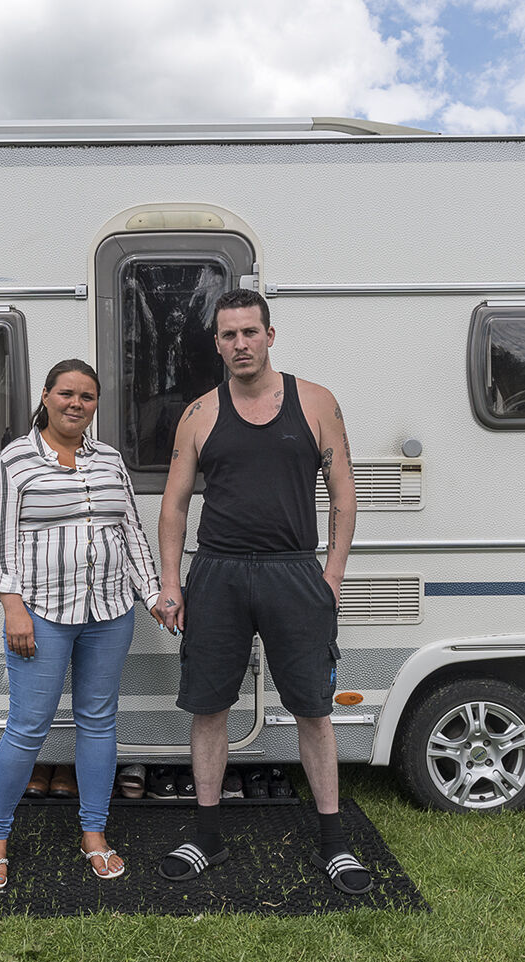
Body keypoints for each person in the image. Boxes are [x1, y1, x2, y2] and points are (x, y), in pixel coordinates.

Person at [150, 289, 371, 895]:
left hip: (293, 573)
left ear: (270, 335)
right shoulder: (199, 414)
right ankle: (207, 836)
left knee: (313, 709)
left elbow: (344, 493)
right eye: (229, 335)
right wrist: (170, 583)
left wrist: (332, 575)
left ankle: (334, 841)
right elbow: (173, 505)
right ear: (217, 344)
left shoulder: (317, 402)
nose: (240, 344)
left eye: (250, 332)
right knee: (208, 708)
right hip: (217, 574)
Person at [0, 359, 162, 889]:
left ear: (95, 404)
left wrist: (152, 594)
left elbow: (130, 532)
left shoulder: (110, 460)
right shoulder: (13, 461)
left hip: (110, 612)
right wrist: (13, 609)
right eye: (66, 394)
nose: (76, 404)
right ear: (46, 396)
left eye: (87, 396)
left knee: (99, 722)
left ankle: (94, 833)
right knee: (28, 727)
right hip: (41, 614)